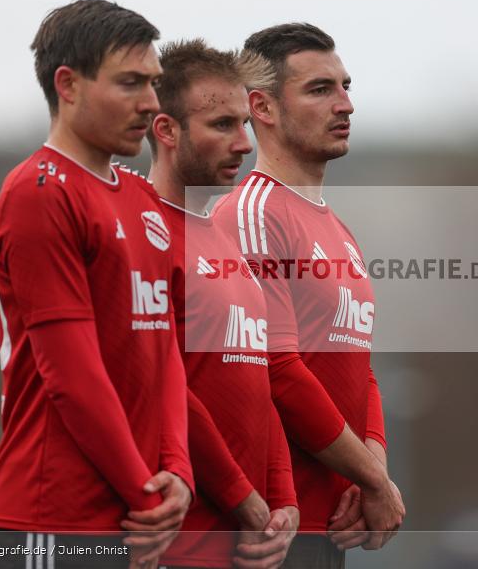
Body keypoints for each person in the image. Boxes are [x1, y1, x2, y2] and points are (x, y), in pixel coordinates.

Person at [0, 0, 193, 569]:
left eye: (153, 83)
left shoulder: (143, 198)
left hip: (137, 516)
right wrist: (146, 493)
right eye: (129, 83)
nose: (150, 102)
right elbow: (71, 374)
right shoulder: (40, 193)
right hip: (53, 519)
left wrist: (179, 471)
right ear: (68, 85)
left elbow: (165, 346)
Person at [215, 23, 405, 568]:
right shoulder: (252, 214)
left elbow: (359, 368)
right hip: (271, 528)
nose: (345, 104)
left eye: (346, 86)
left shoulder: (340, 231)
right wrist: (374, 481)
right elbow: (276, 367)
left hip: (333, 522)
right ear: (263, 107)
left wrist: (371, 473)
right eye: (320, 89)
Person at [146, 39, 298, 569]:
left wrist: (284, 502)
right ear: (167, 130)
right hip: (180, 546)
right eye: (222, 126)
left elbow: (261, 384)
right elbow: (167, 391)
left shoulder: (226, 238)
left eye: (244, 125)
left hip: (251, 544)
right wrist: (244, 499)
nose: (243, 143)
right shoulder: (143, 235)